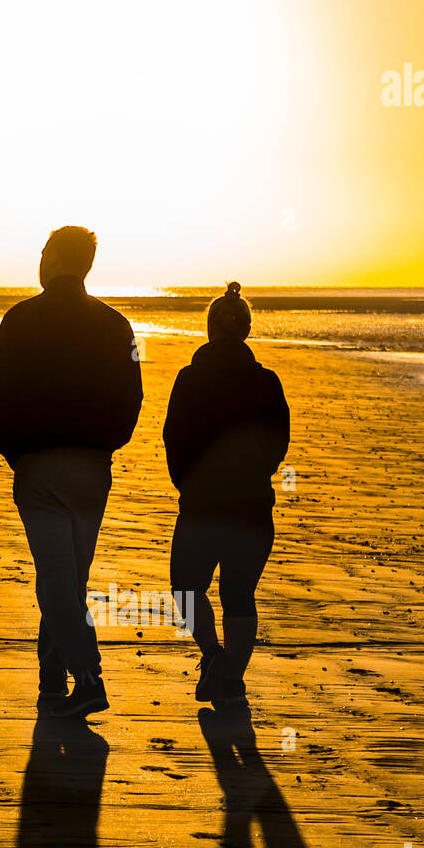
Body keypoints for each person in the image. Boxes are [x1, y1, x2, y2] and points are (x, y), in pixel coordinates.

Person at [0, 226, 143, 717]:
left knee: (57, 577)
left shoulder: (20, 319)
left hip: (43, 465)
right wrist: (109, 442)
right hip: (91, 466)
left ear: (52, 260)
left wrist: (15, 450)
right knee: (67, 577)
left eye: (42, 253)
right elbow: (133, 393)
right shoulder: (116, 325)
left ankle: (88, 676)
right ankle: (53, 677)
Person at [164, 282, 290, 706]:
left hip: (201, 504)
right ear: (246, 331)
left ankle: (216, 660)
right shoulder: (267, 382)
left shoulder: (189, 378)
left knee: (185, 587)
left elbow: (173, 438)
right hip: (252, 504)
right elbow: (278, 441)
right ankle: (228, 675)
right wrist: (256, 474)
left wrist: (187, 482)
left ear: (210, 330)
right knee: (240, 594)